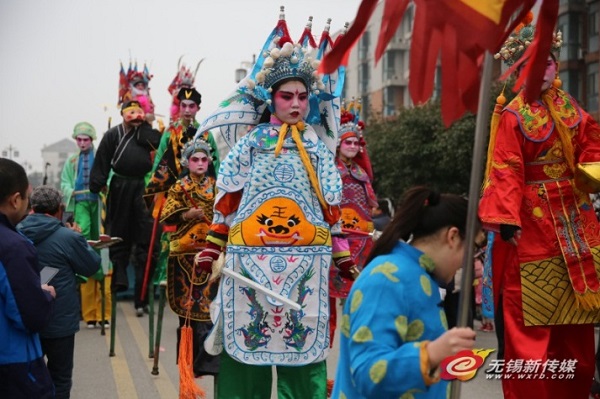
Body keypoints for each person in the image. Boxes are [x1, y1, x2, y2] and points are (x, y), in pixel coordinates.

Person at [194, 11, 357, 398]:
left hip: (306, 264)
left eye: (302, 96)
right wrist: (211, 246)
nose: (296, 103)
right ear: (272, 98)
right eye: (287, 96)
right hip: (249, 264)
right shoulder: (250, 143)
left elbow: (330, 208)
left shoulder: (318, 147)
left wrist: (342, 253)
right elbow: (228, 198)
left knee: (301, 358)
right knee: (244, 356)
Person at [480, 13, 600, 399]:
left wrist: (593, 174)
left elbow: (590, 151)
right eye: (533, 62)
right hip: (532, 231)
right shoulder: (515, 115)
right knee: (532, 332)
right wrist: (506, 218)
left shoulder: (572, 108)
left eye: (548, 60)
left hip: (576, 227)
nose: (543, 68)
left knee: (576, 332)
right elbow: (507, 168)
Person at [331, 186, 476, 398]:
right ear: (452, 237)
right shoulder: (386, 277)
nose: (468, 262)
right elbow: (368, 372)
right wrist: (433, 353)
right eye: (471, 248)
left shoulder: (417, 275)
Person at [19, 186, 101, 399]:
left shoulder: (15, 232)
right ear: (59, 209)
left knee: (26, 378)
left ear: (32, 207)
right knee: (60, 379)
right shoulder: (68, 237)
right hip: (59, 321)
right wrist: (80, 239)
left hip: (24, 319)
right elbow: (91, 266)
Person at [90, 100, 162, 316]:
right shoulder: (113, 134)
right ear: (123, 114)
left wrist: (146, 128)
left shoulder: (146, 133)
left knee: (147, 240)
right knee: (118, 233)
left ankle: (142, 297)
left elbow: (159, 149)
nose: (135, 116)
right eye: (131, 112)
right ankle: (120, 276)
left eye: (139, 112)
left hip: (143, 188)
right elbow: (102, 159)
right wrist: (98, 182)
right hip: (120, 186)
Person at [160, 139, 219, 381]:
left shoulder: (217, 186)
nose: (200, 163)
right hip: (185, 254)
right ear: (187, 162)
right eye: (195, 159)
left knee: (210, 309)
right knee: (189, 311)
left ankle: (209, 362)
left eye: (204, 159)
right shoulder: (179, 186)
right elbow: (165, 215)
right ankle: (190, 363)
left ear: (210, 161)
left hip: (212, 251)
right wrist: (186, 214)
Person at [0, 158, 55, 398]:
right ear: (15, 200)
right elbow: (29, 316)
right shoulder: (13, 247)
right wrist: (45, 294)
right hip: (14, 365)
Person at [330, 103, 378, 340]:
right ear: (338, 144)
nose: (352, 146)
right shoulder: (329, 170)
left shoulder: (361, 173)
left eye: (355, 143)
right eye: (347, 142)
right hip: (336, 240)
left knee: (359, 295)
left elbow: (371, 207)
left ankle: (357, 340)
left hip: (361, 242)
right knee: (327, 299)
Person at [61, 121, 111, 328]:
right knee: (84, 245)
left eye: (86, 139)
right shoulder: (71, 161)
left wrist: (104, 188)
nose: (82, 143)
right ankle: (90, 315)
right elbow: (64, 182)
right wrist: (71, 191)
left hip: (99, 205)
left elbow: (110, 178)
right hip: (81, 204)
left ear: (91, 140)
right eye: (79, 139)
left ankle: (105, 314)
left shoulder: (101, 158)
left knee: (104, 253)